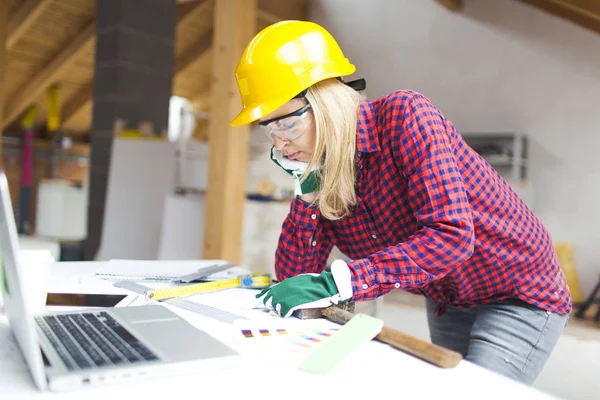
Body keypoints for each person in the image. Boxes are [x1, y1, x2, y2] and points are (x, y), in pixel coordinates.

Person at [230, 20, 571, 385]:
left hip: (517, 289)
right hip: (446, 293)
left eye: (286, 125)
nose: (279, 144)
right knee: (449, 388)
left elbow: (452, 236)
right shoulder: (325, 171)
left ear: (325, 103)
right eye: (269, 129)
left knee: (477, 391)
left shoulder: (406, 116)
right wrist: (306, 193)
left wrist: (342, 281)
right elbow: (295, 279)